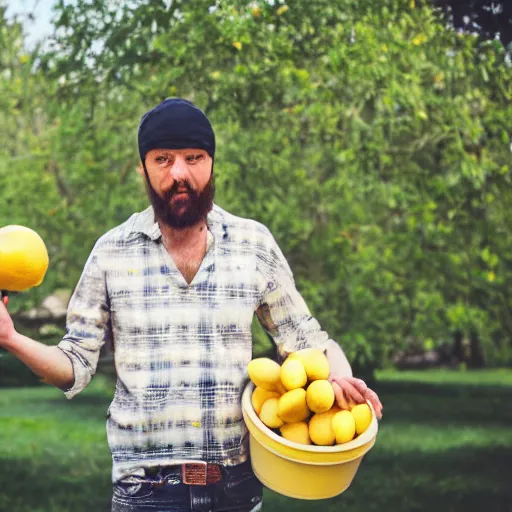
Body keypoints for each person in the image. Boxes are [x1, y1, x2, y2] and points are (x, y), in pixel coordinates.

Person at [0, 98, 383, 512]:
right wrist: (10, 338)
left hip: (235, 489)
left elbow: (306, 339)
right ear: (142, 169)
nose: (179, 173)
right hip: (144, 493)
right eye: (162, 159)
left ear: (212, 164)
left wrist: (341, 378)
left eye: (193, 157)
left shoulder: (253, 244)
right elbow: (73, 365)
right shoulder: (111, 251)